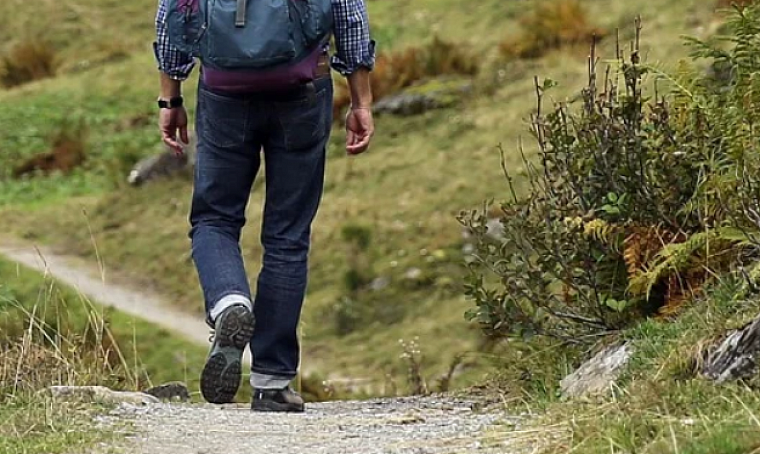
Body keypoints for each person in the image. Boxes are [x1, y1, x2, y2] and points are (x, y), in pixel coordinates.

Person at [153, 0, 375, 412]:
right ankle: (272, 383)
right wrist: (361, 101)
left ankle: (229, 302)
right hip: (303, 89)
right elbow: (349, 14)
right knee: (287, 236)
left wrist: (170, 99)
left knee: (214, 219)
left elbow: (173, 13)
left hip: (224, 91)